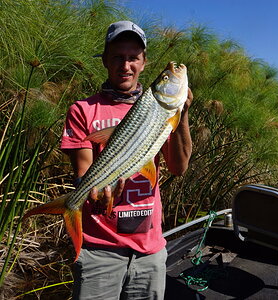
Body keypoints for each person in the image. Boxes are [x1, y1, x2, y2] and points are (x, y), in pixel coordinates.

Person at [61, 20, 193, 300]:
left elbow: (178, 169)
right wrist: (91, 194)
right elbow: (84, 173)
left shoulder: (160, 110)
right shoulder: (83, 110)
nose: (125, 66)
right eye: (118, 58)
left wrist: (182, 116)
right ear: (105, 61)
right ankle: (68, 209)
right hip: (100, 251)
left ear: (144, 63)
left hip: (150, 251)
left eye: (133, 58)